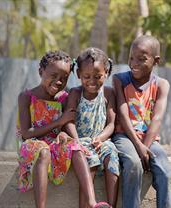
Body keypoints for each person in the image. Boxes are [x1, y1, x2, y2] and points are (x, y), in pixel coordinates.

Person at [17, 50, 109, 208]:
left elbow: (66, 126)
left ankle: (92, 203)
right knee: (43, 151)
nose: (58, 82)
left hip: (53, 143)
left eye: (64, 78)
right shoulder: (27, 97)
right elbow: (26, 134)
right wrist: (59, 122)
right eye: (53, 76)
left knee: (76, 147)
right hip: (32, 145)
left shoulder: (63, 98)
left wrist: (66, 135)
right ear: (41, 71)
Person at [112, 35, 171, 208]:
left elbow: (157, 118)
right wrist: (139, 148)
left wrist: (145, 147)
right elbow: (123, 115)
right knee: (133, 164)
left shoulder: (162, 84)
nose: (134, 63)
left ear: (156, 61)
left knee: (166, 173)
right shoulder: (120, 80)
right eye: (131, 58)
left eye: (142, 59)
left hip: (149, 139)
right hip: (124, 136)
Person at [64, 47, 120, 208]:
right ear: (78, 74)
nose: (92, 81)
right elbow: (69, 121)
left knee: (112, 157)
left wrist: (101, 138)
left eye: (98, 76)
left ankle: (110, 205)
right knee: (92, 162)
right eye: (86, 76)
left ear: (106, 73)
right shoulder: (75, 93)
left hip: (100, 140)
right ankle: (88, 205)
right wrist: (77, 142)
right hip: (80, 140)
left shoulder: (108, 93)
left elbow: (111, 123)